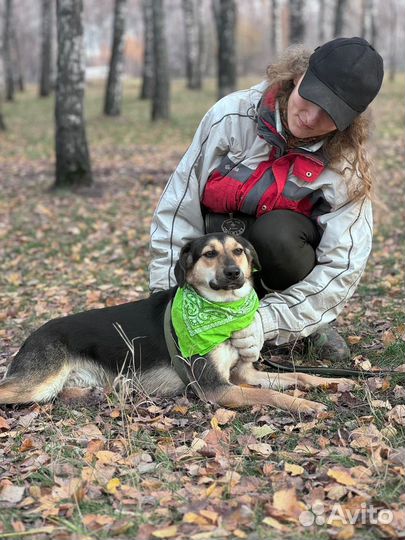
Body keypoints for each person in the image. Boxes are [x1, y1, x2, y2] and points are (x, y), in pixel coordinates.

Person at [148, 37, 384, 363]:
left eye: (331, 112)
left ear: (351, 120)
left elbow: (342, 266)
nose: (311, 117)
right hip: (216, 263)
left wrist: (266, 321)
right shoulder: (230, 116)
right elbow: (178, 208)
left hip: (283, 272)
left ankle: (309, 326)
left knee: (278, 233)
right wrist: (166, 301)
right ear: (298, 74)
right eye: (311, 97)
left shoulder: (347, 165)